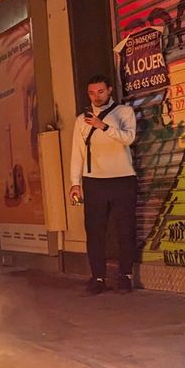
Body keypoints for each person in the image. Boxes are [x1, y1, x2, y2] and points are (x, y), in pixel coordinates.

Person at [69, 74, 137, 294]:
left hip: (123, 178)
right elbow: (77, 153)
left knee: (125, 230)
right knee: (95, 232)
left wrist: (103, 126)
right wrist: (75, 182)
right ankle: (97, 277)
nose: (96, 97)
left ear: (109, 90)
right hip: (94, 181)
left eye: (100, 91)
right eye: (91, 92)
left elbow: (128, 138)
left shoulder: (124, 112)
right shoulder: (81, 120)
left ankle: (125, 275)